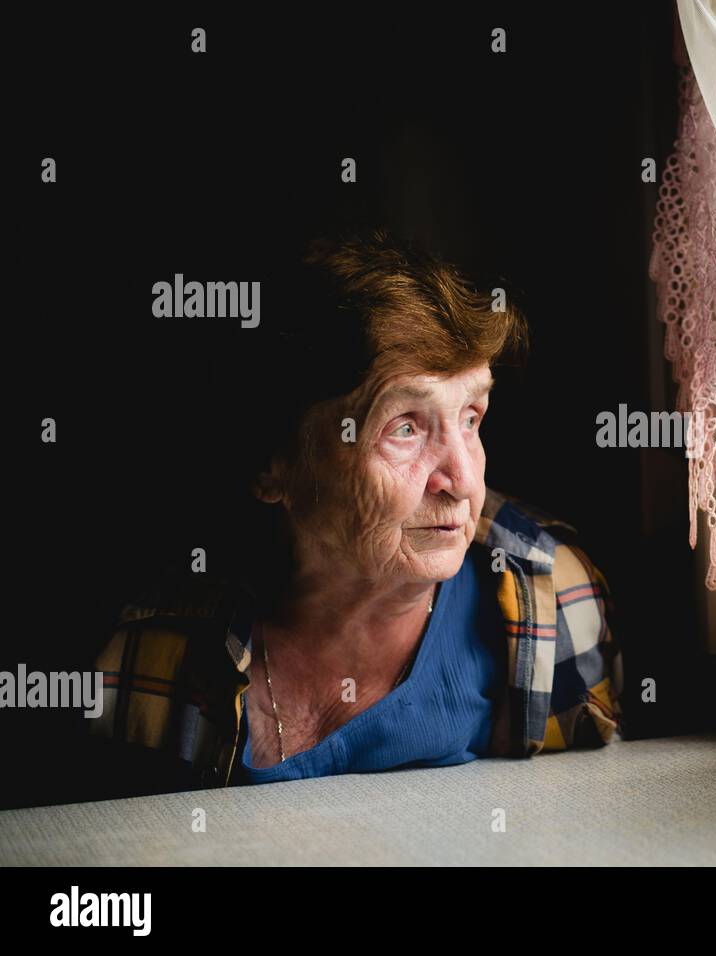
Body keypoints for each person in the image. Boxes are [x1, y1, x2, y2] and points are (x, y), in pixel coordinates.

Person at [86, 230, 623, 794]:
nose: (464, 481)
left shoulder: (549, 597)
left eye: (471, 417)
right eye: (405, 428)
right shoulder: (150, 642)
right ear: (274, 467)